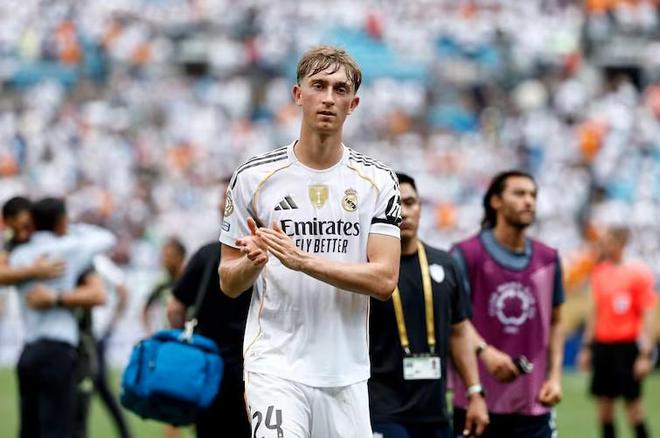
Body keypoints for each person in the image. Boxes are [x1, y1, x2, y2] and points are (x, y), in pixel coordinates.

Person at [219, 45, 402, 437]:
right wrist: (252, 263)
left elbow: (385, 280)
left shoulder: (378, 181)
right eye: (319, 85)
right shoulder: (253, 178)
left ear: (353, 104)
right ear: (298, 94)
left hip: (346, 373)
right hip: (275, 366)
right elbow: (228, 282)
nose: (328, 98)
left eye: (340, 89)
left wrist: (304, 262)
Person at [368, 172, 488, 438]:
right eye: (393, 204)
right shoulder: (367, 269)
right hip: (380, 410)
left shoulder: (445, 264)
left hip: (434, 411)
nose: (403, 212)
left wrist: (475, 392)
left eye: (410, 203)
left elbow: (459, 332)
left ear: (421, 208)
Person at [451, 170, 565, 438]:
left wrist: (555, 377)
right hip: (477, 404)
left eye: (533, 195)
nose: (529, 201)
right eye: (519, 193)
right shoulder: (465, 255)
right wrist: (485, 352)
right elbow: (454, 320)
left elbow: (557, 321)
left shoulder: (548, 259)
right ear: (496, 201)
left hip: (534, 406)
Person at [10, 197, 116, 438]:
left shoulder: (19, 255)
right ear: (60, 222)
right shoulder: (68, 249)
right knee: (58, 429)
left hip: (28, 350)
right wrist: (72, 229)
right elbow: (107, 238)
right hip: (58, 352)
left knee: (29, 431)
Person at [578, 227, 657, 438]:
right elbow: (594, 313)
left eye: (608, 241)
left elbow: (648, 315)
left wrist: (645, 354)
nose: (603, 245)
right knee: (604, 410)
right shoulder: (599, 272)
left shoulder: (638, 273)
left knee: (634, 409)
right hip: (603, 347)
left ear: (621, 243)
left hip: (626, 348)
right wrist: (586, 348)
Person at [167, 241, 252, 437]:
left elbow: (174, 308)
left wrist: (182, 339)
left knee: (208, 429)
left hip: (206, 363)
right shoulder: (268, 255)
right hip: (251, 364)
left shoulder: (208, 253)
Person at [1, 196, 65, 284]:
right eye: (15, 230)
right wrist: (33, 271)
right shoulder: (9, 244)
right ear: (6, 223)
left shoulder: (50, 239)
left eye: (26, 227)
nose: (22, 235)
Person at [142, 236, 186, 334]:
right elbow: (145, 308)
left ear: (181, 257)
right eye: (164, 256)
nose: (166, 260)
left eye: (170, 256)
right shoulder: (162, 283)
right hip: (169, 335)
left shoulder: (190, 280)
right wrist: (149, 333)